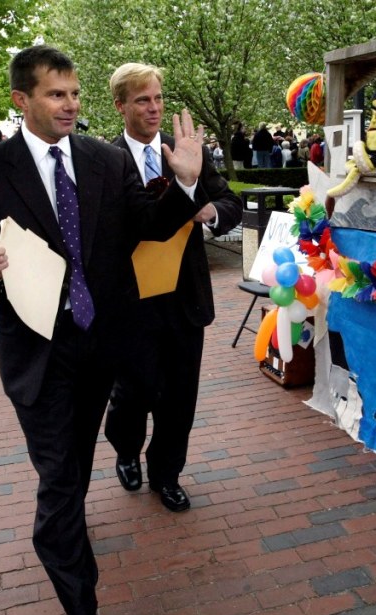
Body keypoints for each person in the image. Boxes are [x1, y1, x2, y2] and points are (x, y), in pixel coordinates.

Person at [0, 45, 208, 615]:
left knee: (75, 466)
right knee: (60, 483)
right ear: (22, 101)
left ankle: (73, 516)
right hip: (38, 355)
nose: (70, 104)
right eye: (55, 94)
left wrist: (187, 182)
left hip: (102, 348)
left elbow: (149, 224)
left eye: (74, 93)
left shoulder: (102, 160)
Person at [104, 62, 241, 515]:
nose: (154, 107)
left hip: (183, 301)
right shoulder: (105, 162)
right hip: (130, 303)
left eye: (159, 98)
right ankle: (126, 448)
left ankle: (167, 474)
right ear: (121, 105)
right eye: (143, 99)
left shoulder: (182, 152)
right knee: (134, 393)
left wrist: (207, 211)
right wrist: (180, 192)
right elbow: (121, 223)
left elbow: (229, 204)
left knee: (179, 398)